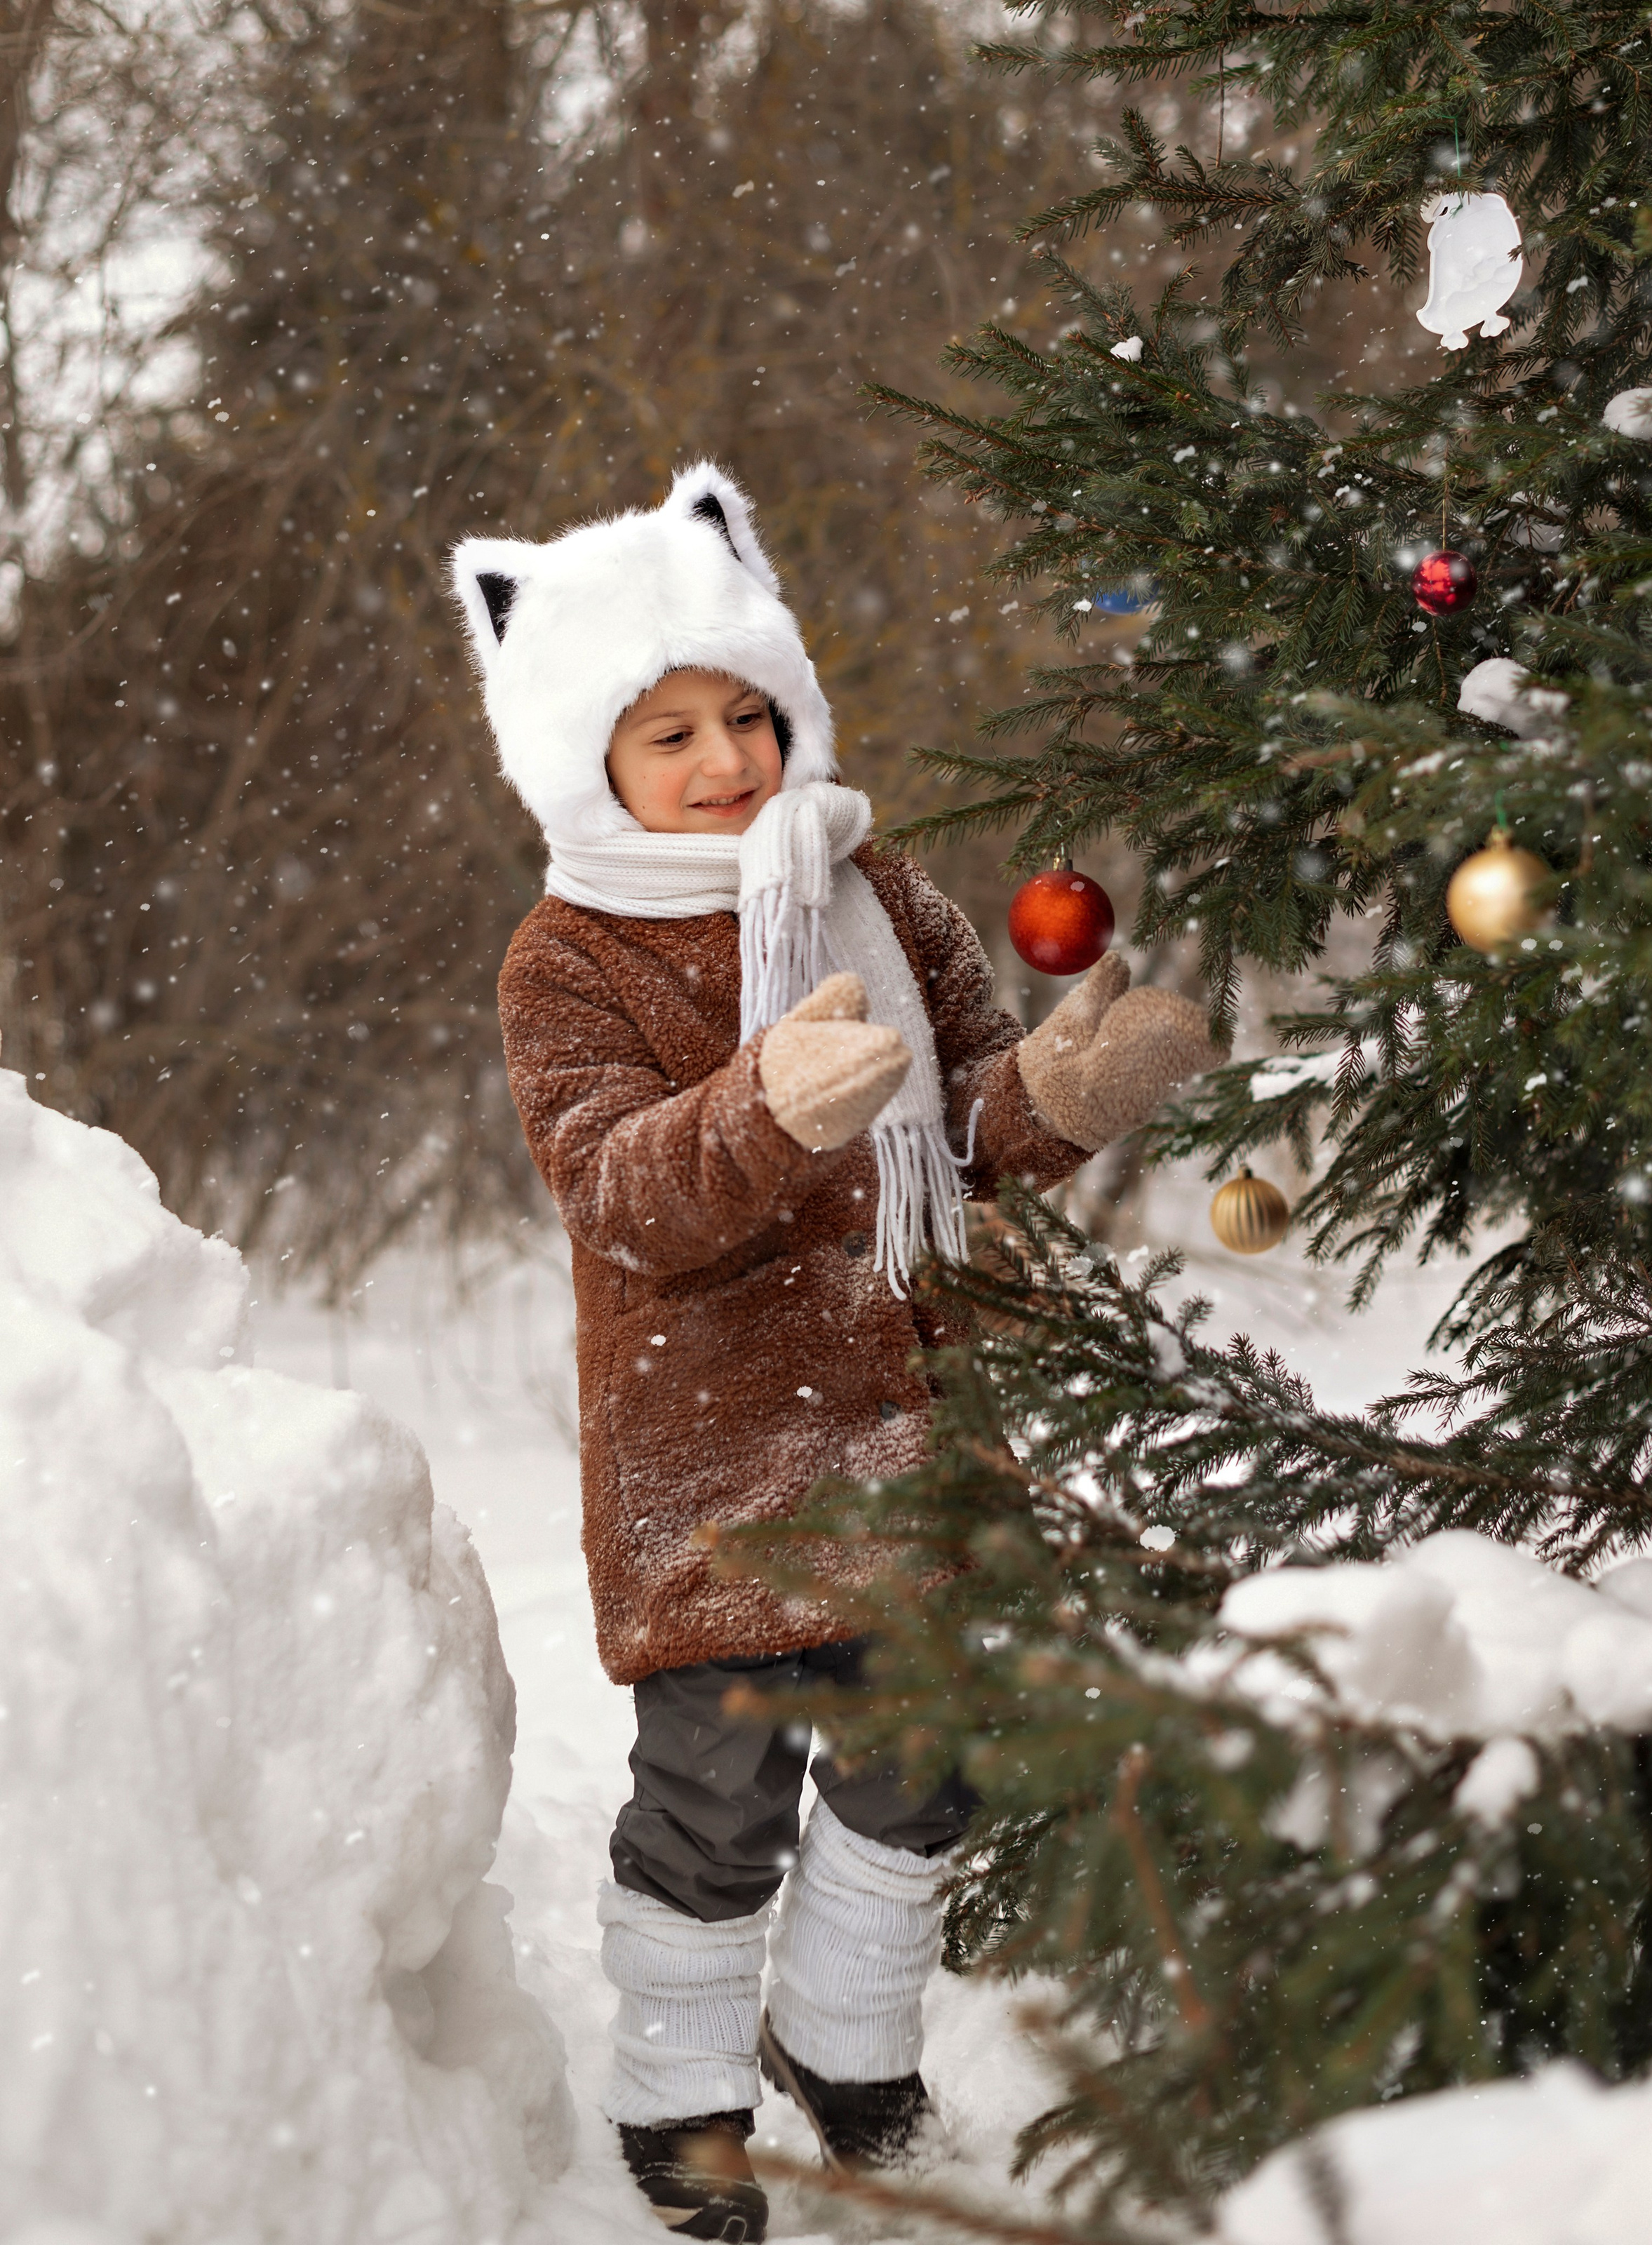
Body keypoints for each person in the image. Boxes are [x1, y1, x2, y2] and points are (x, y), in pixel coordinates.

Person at [451, 465, 1219, 2241]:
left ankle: (845, 2044)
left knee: (913, 1763)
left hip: (898, 1422)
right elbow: (622, 1194)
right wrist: (761, 1109)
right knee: (717, 1798)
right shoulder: (567, 958)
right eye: (668, 734)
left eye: (745, 712)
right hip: (710, 1464)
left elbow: (959, 1124)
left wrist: (1059, 1085)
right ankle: (683, 2100)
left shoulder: (882, 890)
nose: (725, 760)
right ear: (588, 765)